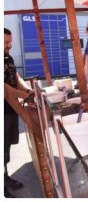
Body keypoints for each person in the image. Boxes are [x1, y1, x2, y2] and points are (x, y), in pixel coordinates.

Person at [4, 28, 33, 198]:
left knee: (6, 147)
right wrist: (25, 95)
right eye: (6, 43)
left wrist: (29, 91)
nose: (10, 45)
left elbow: (15, 78)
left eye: (10, 41)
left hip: (10, 110)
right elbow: (5, 89)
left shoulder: (8, 57)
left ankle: (4, 176)